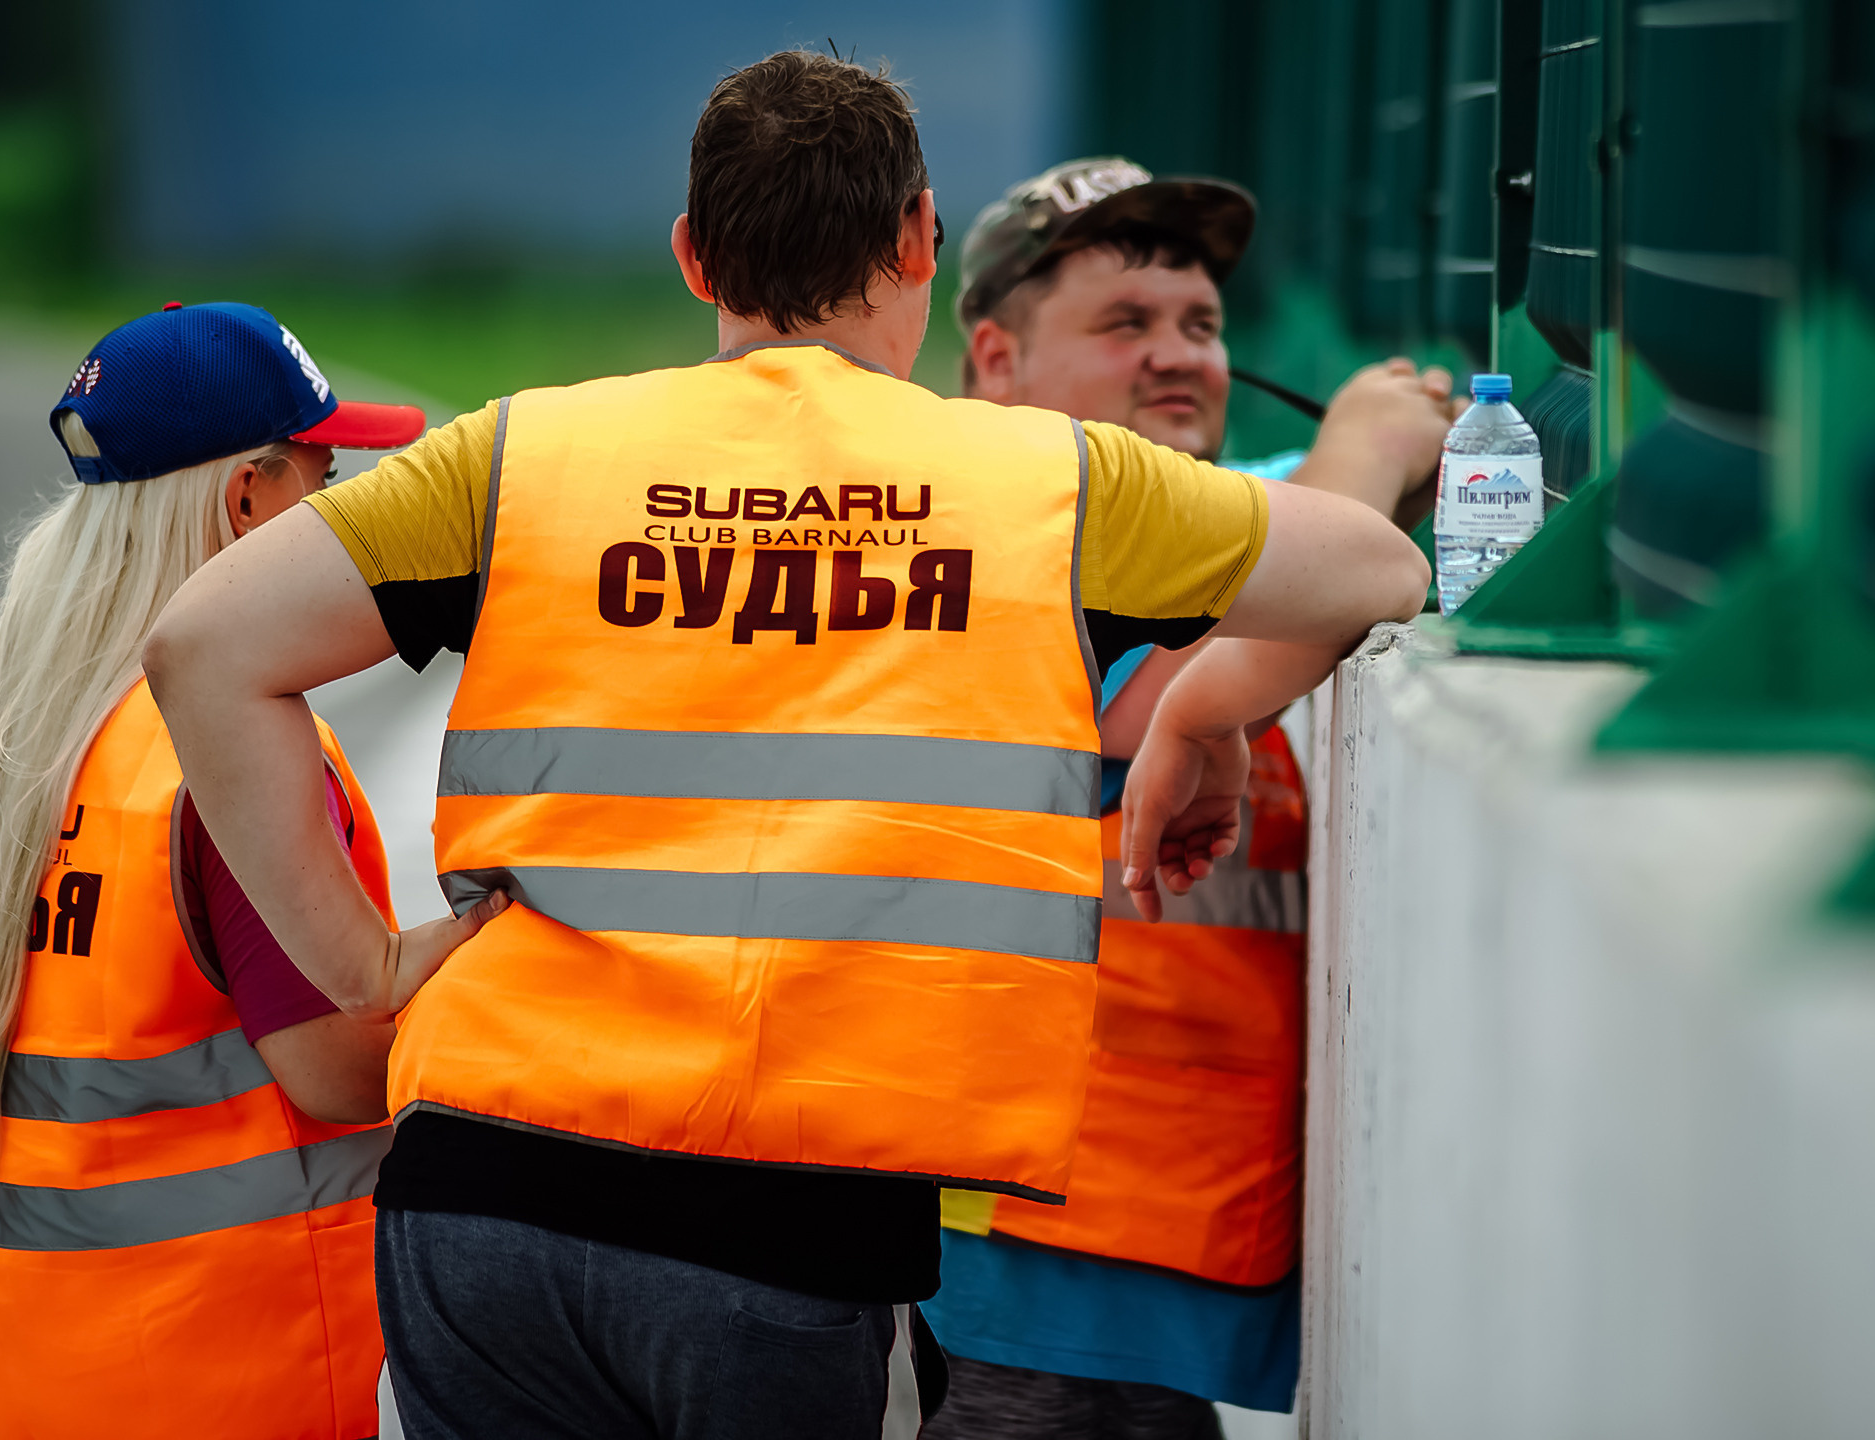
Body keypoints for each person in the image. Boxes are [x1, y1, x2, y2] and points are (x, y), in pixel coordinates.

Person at [141, 51, 1430, 1440]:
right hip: (779, 1228)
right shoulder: (1048, 483)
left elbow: (202, 649)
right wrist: (1248, 641)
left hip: (477, 1193)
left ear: (695, 256)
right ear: (919, 240)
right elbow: (1373, 570)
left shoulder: (525, 457)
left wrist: (364, 967)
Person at [928, 159, 1453, 1436]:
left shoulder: (1215, 516)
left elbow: (1266, 556)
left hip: (1163, 1229)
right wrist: (1362, 452)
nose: (1179, 356)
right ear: (995, 361)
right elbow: (1156, 693)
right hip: (1042, 1237)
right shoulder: (986, 526)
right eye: (1125, 325)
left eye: (1202, 325)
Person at [0, 301, 447, 1439]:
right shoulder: (222, 764)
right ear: (249, 499)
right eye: (325, 474)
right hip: (253, 1381)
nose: (343, 511)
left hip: (26, 1391)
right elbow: (344, 1075)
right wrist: (515, 930)